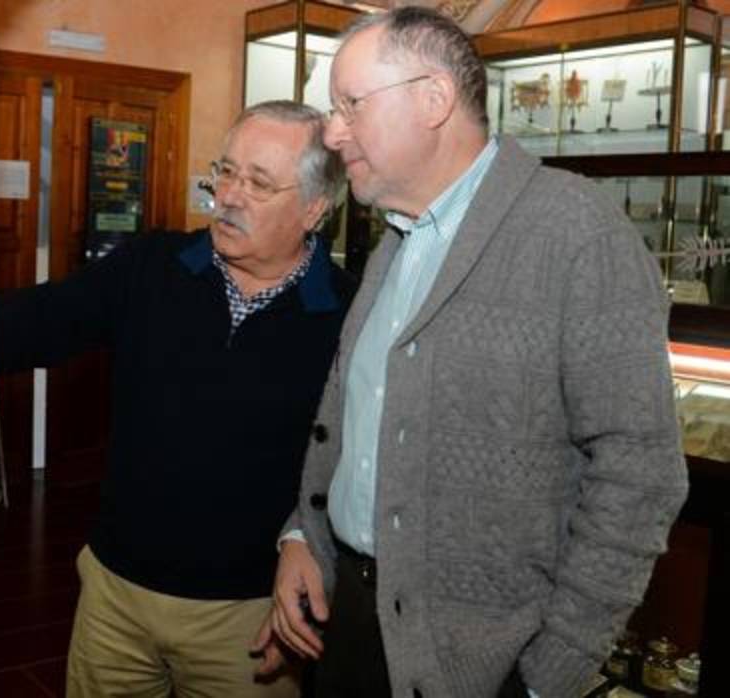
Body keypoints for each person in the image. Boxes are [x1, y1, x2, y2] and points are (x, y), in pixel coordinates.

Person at [255, 8, 688, 698]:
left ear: (432, 101)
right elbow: (355, 420)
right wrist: (304, 536)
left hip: (484, 663)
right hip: (354, 623)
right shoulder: (395, 239)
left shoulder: (577, 233)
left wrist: (552, 672)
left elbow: (641, 474)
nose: (333, 134)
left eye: (349, 106)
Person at [0, 100, 351, 697]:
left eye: (258, 182)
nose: (229, 195)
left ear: (315, 208)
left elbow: (349, 469)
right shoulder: (152, 266)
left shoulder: (346, 315)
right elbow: (43, 318)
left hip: (249, 618)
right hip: (116, 597)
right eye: (225, 171)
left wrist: (309, 551)